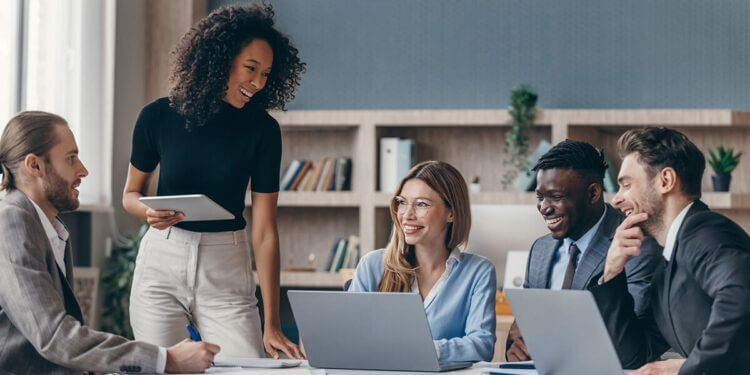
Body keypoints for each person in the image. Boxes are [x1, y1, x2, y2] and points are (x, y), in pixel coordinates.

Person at [122, 4, 305, 359]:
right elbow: (131, 194)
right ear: (219, 59)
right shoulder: (157, 116)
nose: (257, 83)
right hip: (162, 259)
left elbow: (265, 230)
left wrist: (272, 323)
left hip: (226, 265)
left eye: (266, 73)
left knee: (246, 365)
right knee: (164, 367)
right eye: (250, 69)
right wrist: (147, 214)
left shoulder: (263, 130)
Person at [0, 111, 219, 374]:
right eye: (71, 158)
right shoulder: (11, 222)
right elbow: (53, 336)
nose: (83, 170)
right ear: (34, 165)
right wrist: (166, 359)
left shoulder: (45, 226)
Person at [592, 127, 750, 374]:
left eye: (626, 185)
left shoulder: (704, 229)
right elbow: (635, 356)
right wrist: (612, 272)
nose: (616, 199)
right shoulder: (665, 269)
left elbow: (741, 296)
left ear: (666, 180)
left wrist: (689, 368)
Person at [506, 140, 662, 362]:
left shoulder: (635, 245)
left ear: (593, 193)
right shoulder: (540, 249)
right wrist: (515, 349)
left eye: (556, 197)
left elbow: (631, 348)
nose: (544, 208)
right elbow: (522, 330)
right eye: (540, 197)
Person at [349, 161, 496, 363]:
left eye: (421, 204)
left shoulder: (478, 271)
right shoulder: (372, 266)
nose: (407, 215)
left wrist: (419, 348)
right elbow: (350, 339)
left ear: (451, 213)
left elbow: (481, 346)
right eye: (402, 202)